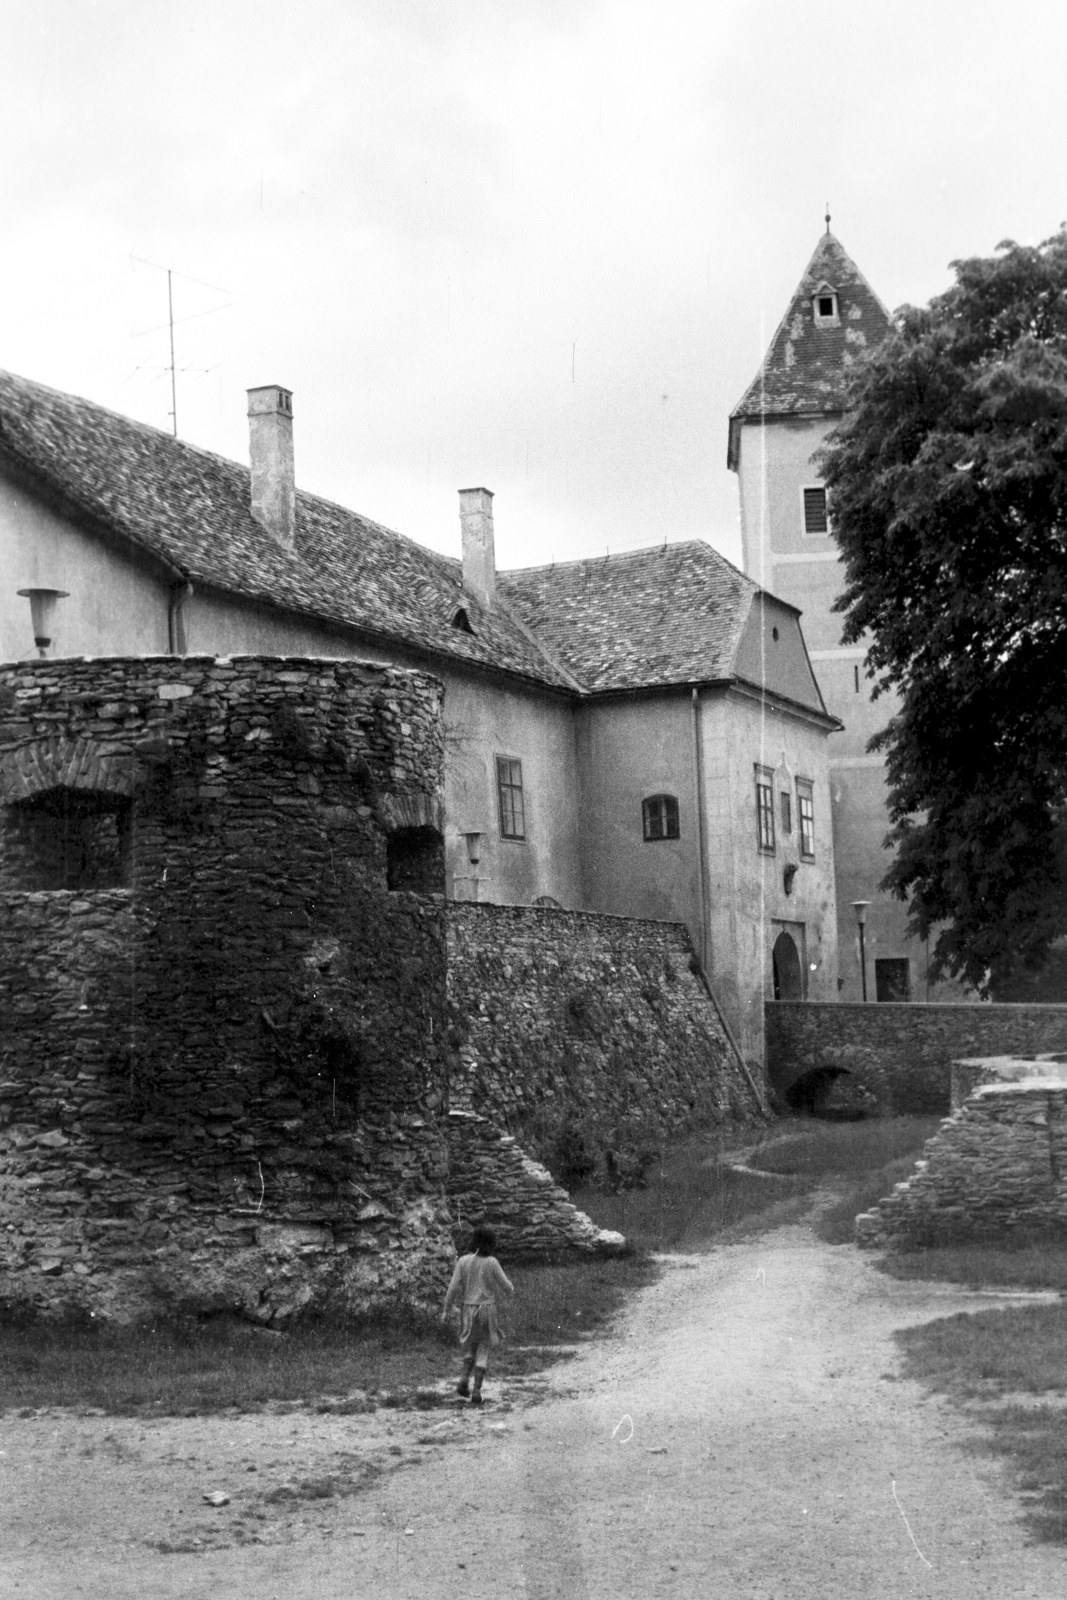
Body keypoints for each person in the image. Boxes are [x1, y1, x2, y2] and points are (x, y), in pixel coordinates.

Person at [442, 1223, 514, 1405]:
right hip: (487, 1310)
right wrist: (510, 1291)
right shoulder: (492, 1262)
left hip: (468, 1309)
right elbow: (507, 1286)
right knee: (483, 1348)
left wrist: (446, 1309)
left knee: (471, 1346)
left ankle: (464, 1379)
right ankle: (476, 1391)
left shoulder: (463, 1261)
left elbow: (452, 1288)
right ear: (492, 1243)